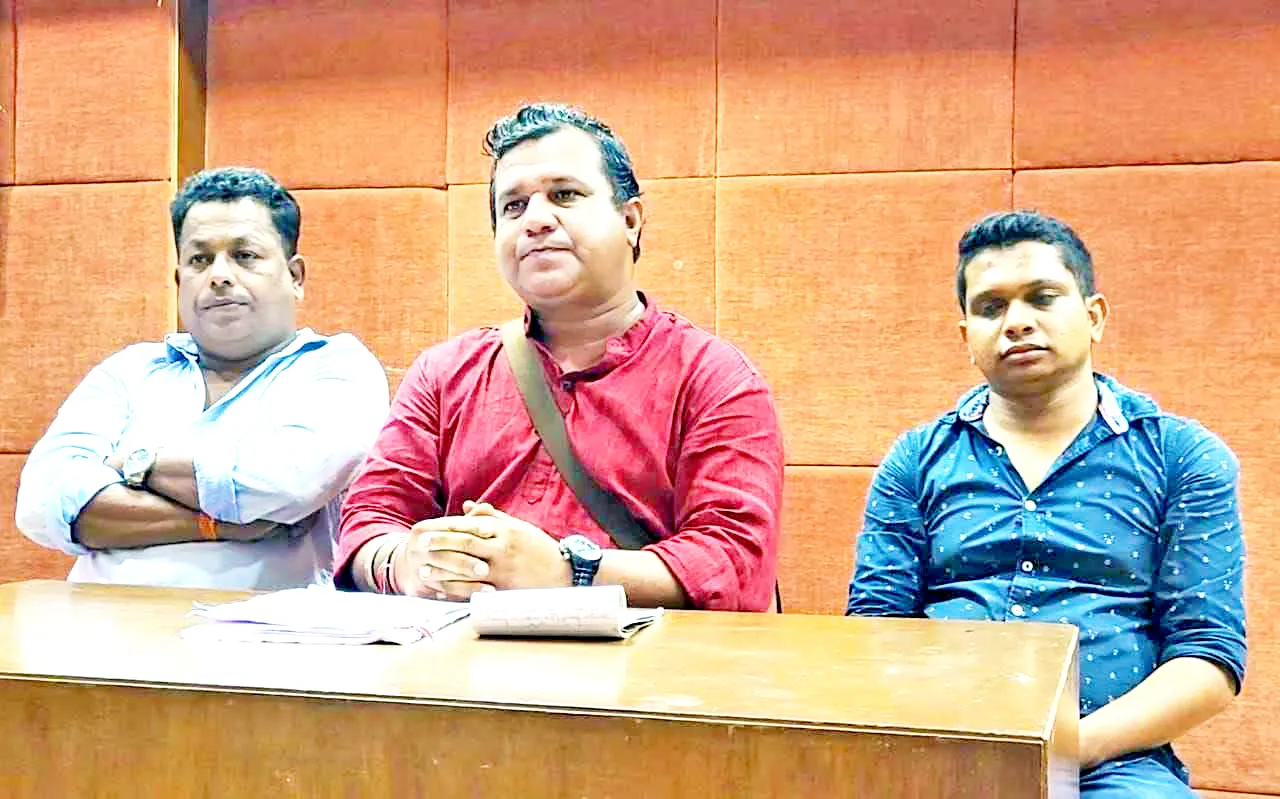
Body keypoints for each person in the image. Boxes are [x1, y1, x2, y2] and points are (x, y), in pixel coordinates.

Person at [847, 210, 1245, 795]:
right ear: (966, 337)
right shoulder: (916, 459)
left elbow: (1208, 658)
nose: (1017, 322)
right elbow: (873, 631)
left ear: (1094, 316)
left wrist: (1063, 748)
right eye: (991, 307)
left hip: (1109, 764)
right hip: (935, 752)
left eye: (1042, 298)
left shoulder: (1181, 457)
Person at [337, 103, 783, 610]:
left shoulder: (715, 379)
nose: (535, 220)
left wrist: (569, 571)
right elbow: (368, 520)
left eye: (564, 195)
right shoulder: (443, 374)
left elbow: (734, 562)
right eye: (513, 207)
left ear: (630, 220)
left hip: (647, 660)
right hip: (459, 657)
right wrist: (405, 563)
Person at [16, 166, 389, 589]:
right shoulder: (129, 371)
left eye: (245, 256)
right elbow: (41, 504)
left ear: (295, 277)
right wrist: (219, 526)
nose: (219, 275)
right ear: (180, 280)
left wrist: (136, 463)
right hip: (101, 621)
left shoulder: (337, 368)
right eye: (200, 260)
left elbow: (284, 485)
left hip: (263, 626)